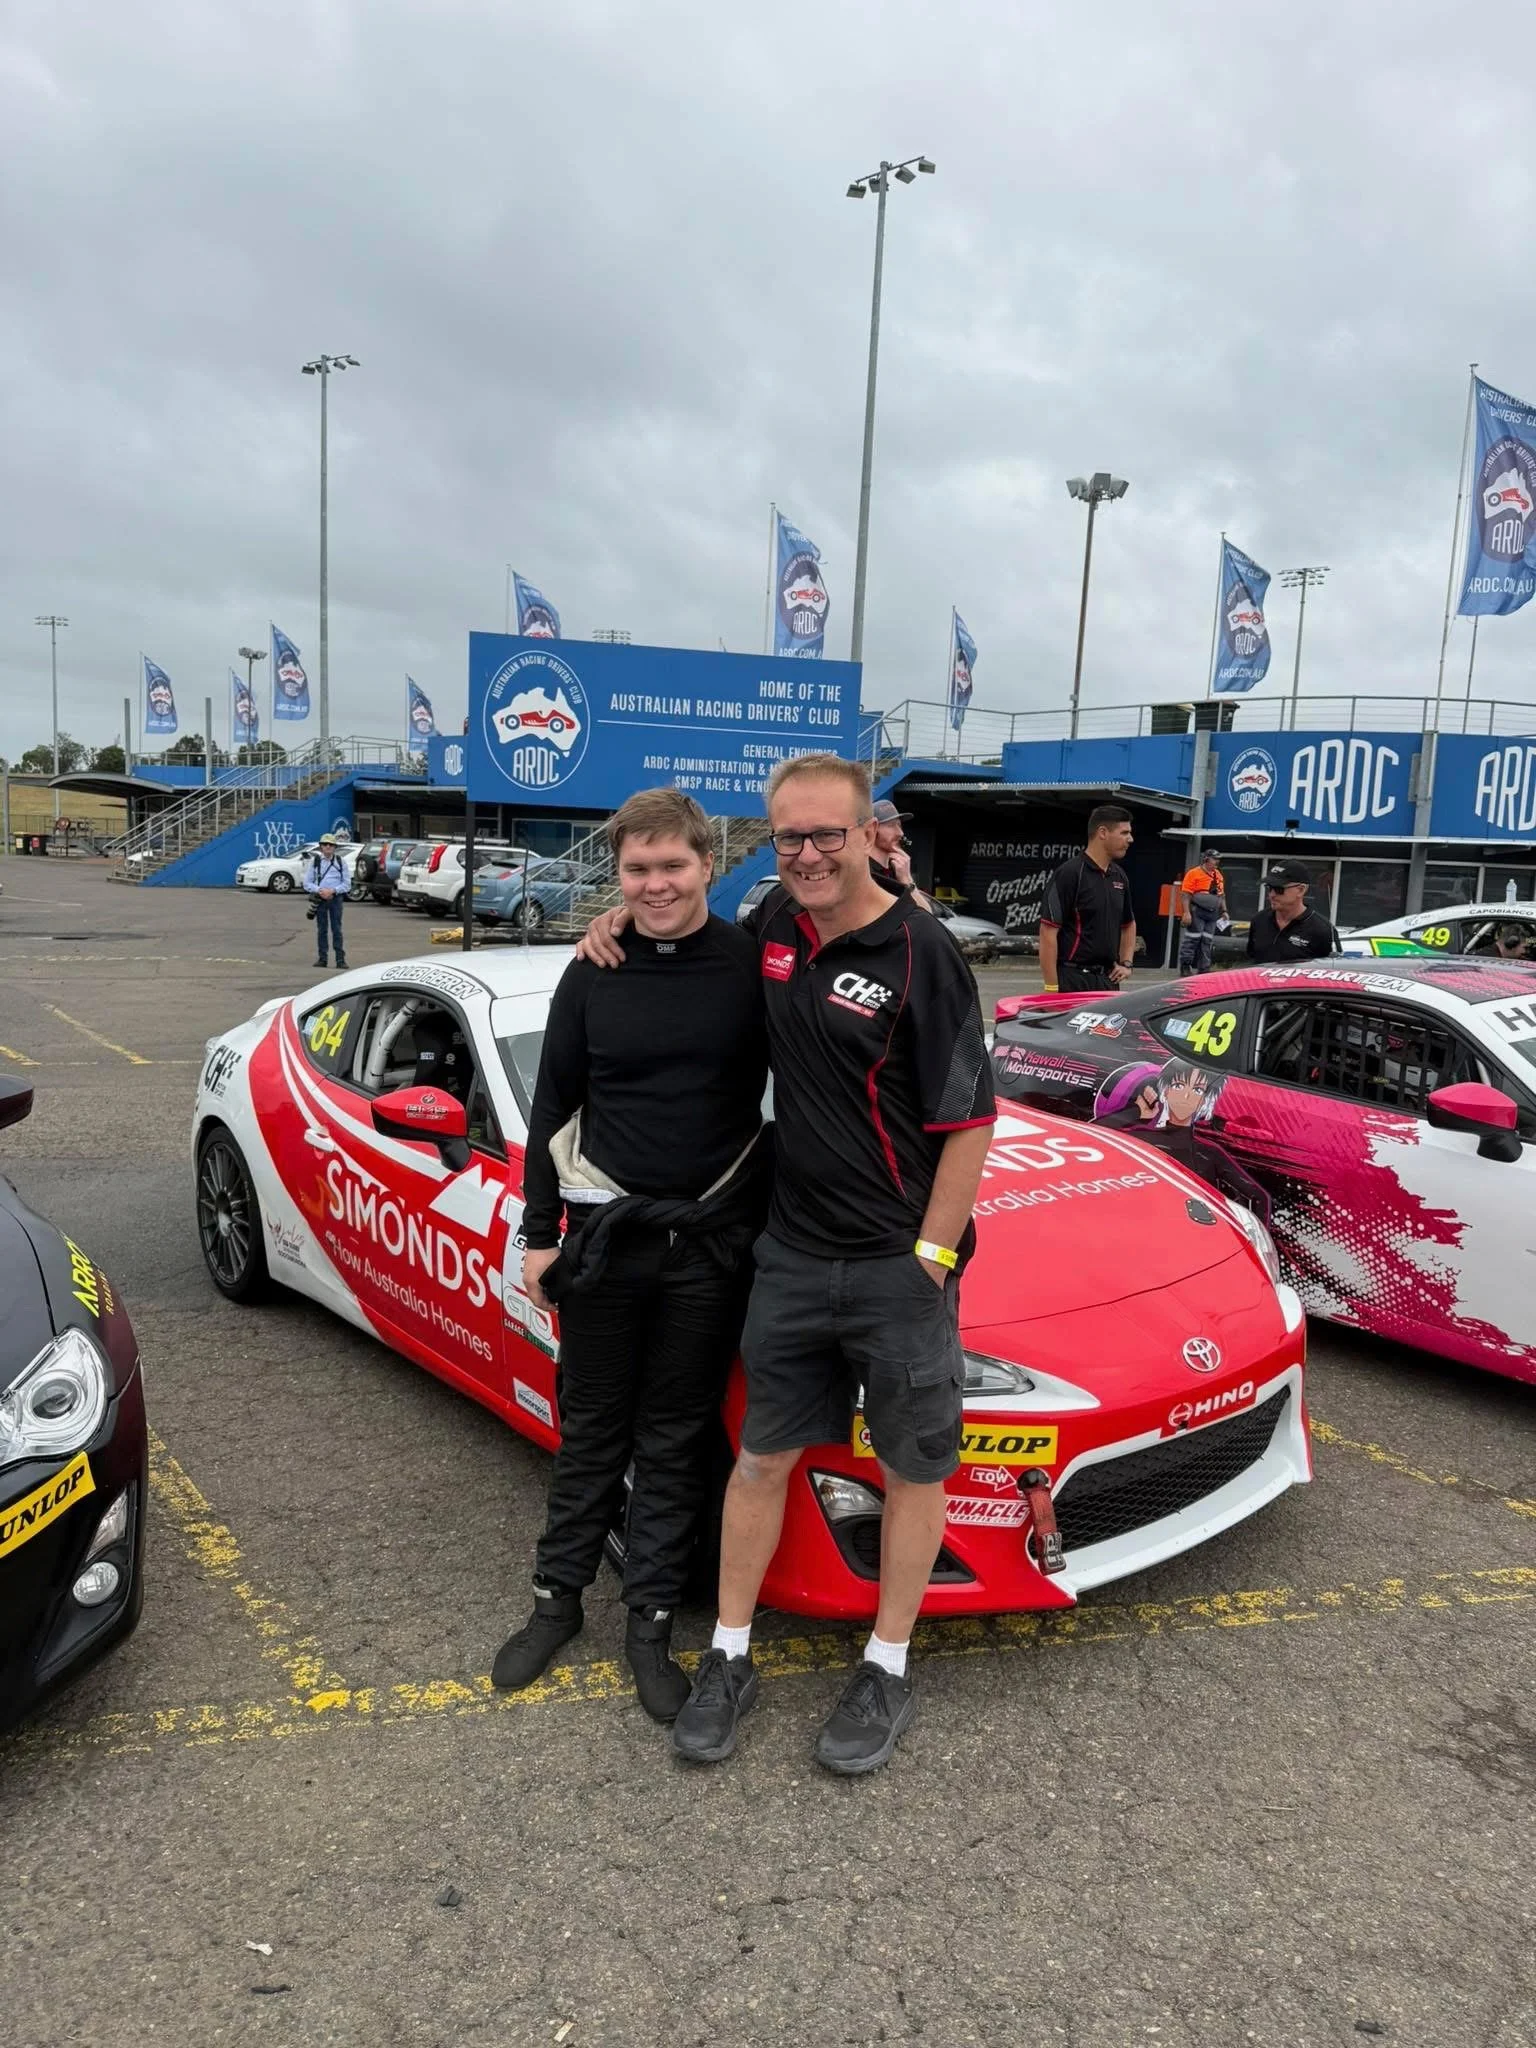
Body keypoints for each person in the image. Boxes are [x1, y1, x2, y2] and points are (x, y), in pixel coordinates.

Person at [580, 754, 996, 1775]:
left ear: (867, 835)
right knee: (763, 1455)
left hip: (900, 1265)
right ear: (769, 845)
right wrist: (612, 924)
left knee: (910, 1467)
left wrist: (933, 1256)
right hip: (793, 1256)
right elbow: (676, 927)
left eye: (827, 835)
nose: (807, 854)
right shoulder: (770, 930)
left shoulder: (922, 951)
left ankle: (888, 1660)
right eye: (788, 837)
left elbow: (970, 1117)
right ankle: (729, 1652)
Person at [491, 788, 771, 1723]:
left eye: (673, 867)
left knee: (675, 1440)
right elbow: (551, 1109)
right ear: (619, 875)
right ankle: (555, 1602)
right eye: (637, 871)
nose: (656, 885)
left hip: (704, 1247)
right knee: (593, 1430)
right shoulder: (592, 971)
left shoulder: (751, 966)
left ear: (707, 863)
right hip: (602, 1241)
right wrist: (538, 1237)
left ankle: (647, 1623)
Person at [1038, 806, 1137, 993]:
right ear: (1103, 833)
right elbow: (1047, 932)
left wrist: (1126, 963)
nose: (1130, 839)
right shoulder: (1070, 874)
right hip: (1072, 981)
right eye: (1124, 833)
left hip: (1107, 981)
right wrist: (1051, 987)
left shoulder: (1119, 876)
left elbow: (1128, 924)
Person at [1246, 861, 1337, 962]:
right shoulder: (1259, 921)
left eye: (1278, 889)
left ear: (1301, 890)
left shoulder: (1323, 930)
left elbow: (1332, 970)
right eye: (1269, 888)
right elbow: (1251, 961)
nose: (1271, 894)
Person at [870, 799, 931, 911]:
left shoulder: (897, 870)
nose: (900, 833)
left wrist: (907, 879)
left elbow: (927, 913)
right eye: (891, 825)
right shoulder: (864, 872)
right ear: (872, 829)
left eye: (899, 825)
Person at [1177, 849, 1227, 977]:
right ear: (1206, 859)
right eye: (1214, 859)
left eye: (1218, 859)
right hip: (1197, 911)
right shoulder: (1193, 873)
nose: (1217, 862)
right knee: (1192, 939)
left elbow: (1221, 895)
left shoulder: (1218, 875)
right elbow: (1185, 894)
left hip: (1212, 913)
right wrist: (1186, 913)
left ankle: (1204, 968)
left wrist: (1224, 911)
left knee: (1207, 940)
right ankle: (1185, 966)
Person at [305, 833, 349, 970]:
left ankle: (340, 960)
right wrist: (320, 891)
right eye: (325, 844)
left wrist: (333, 891)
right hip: (321, 899)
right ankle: (322, 958)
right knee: (321, 930)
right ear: (321, 847)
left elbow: (347, 884)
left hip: (336, 899)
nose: (328, 847)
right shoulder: (315, 862)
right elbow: (307, 883)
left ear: (335, 847)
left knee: (337, 929)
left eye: (331, 845)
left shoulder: (341, 862)